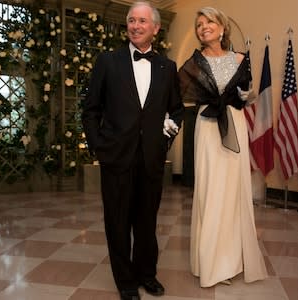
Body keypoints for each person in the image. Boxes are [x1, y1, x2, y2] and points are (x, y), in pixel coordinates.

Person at [81, 2, 184, 299]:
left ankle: (147, 275)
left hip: (151, 159)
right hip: (116, 157)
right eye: (131, 20)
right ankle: (125, 282)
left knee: (147, 221)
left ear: (155, 28)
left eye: (142, 21)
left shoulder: (167, 67)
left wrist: (167, 137)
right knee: (117, 221)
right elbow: (90, 111)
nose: (135, 26)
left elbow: (176, 111)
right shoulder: (108, 61)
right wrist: (99, 147)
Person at [178, 6, 268, 288]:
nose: (203, 27)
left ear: (222, 27)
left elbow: (248, 97)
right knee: (210, 192)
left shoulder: (241, 59)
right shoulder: (194, 63)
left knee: (232, 193)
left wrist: (249, 95)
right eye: (199, 24)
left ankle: (230, 262)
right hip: (207, 127)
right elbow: (182, 94)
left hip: (236, 125)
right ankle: (210, 263)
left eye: (209, 22)